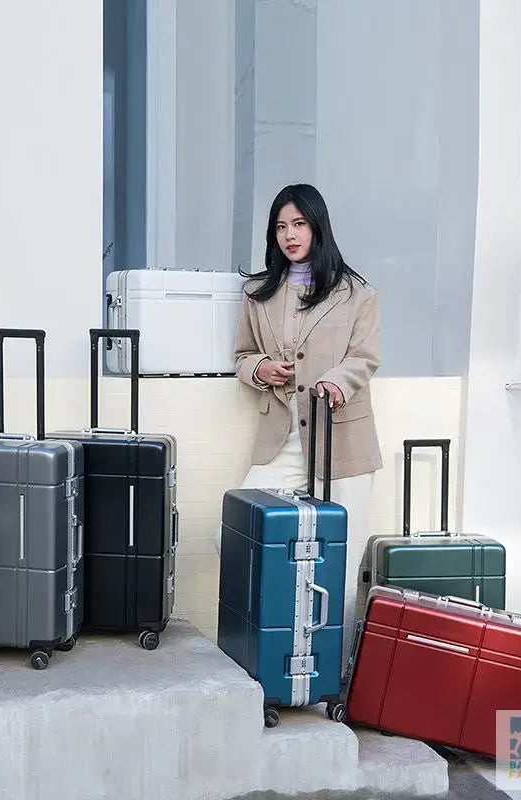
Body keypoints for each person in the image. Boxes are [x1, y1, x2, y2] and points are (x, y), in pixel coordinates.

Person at [220, 182, 382, 671]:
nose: (290, 235)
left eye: (299, 224)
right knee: (237, 533)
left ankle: (332, 668)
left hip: (343, 443)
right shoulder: (257, 294)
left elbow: (365, 357)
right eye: (281, 226)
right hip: (283, 441)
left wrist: (335, 380)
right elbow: (242, 357)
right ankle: (271, 648)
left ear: (317, 227)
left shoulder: (358, 295)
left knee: (342, 559)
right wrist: (261, 368)